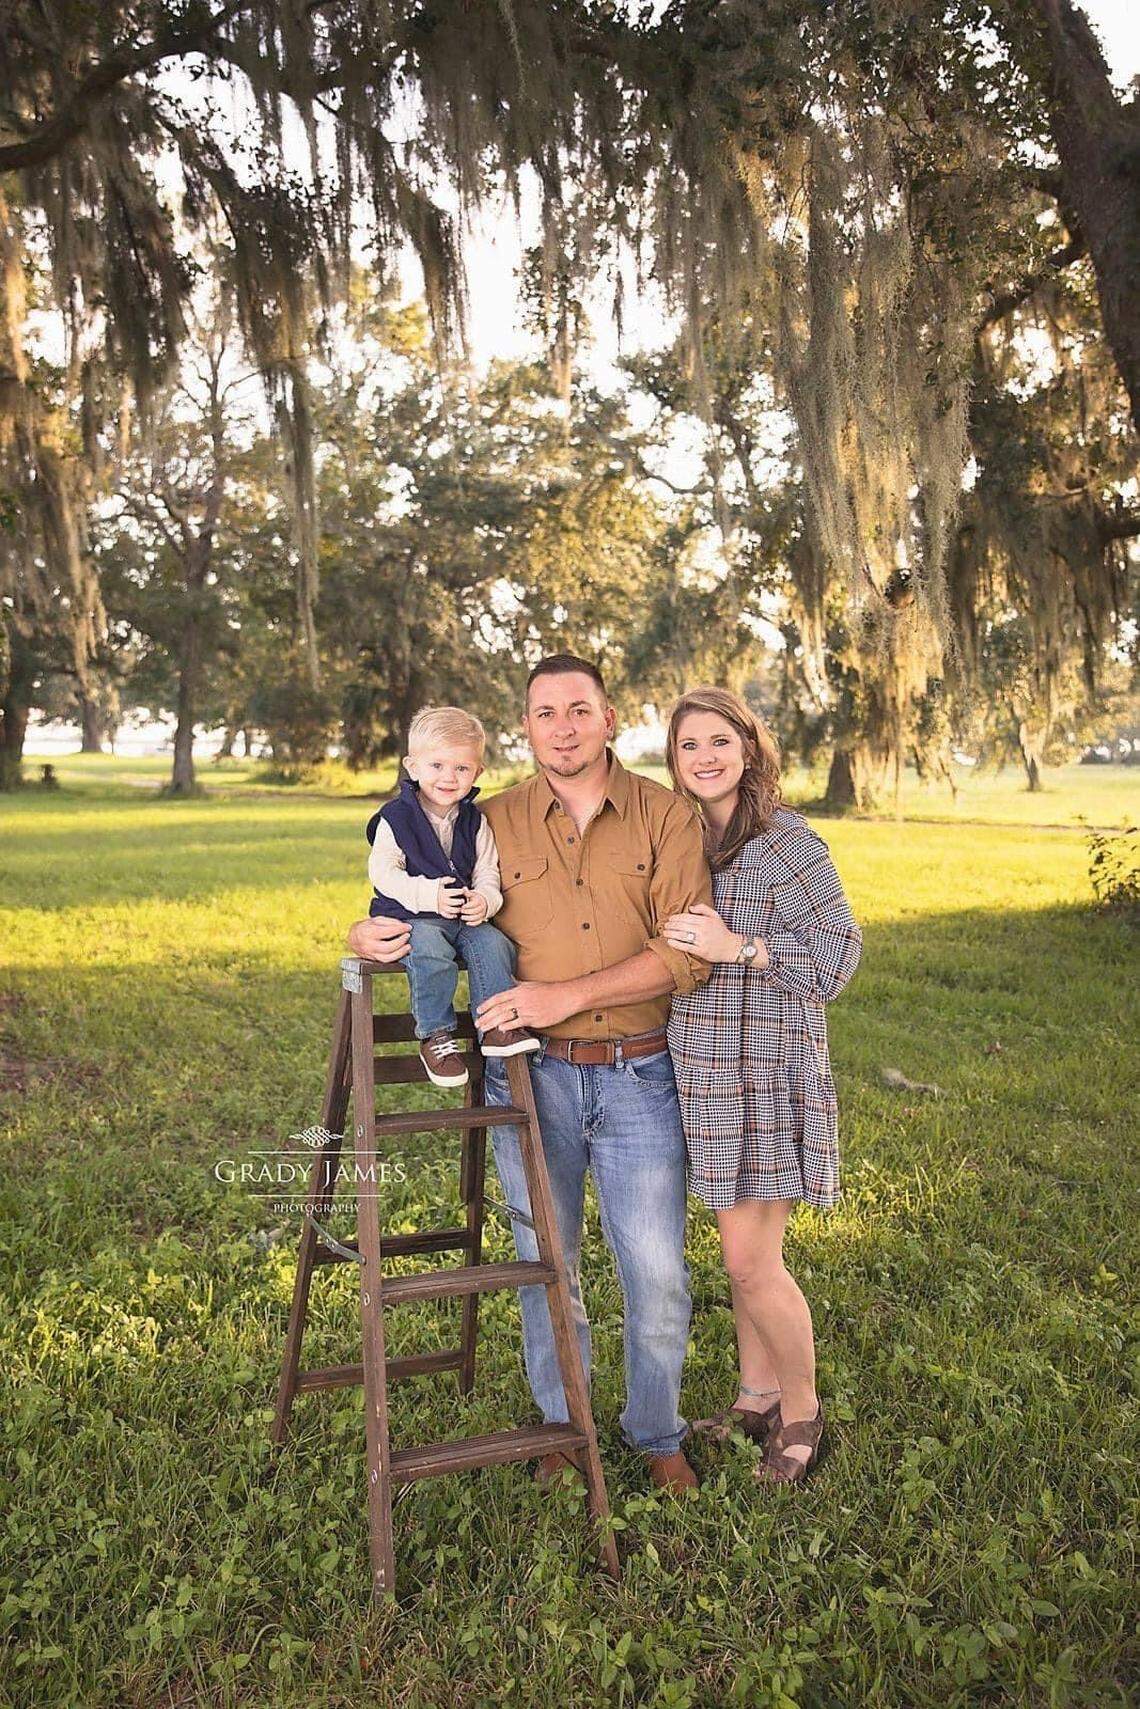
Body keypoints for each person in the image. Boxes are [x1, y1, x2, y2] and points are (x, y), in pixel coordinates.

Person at [346, 654, 713, 1493]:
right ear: (527, 727)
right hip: (529, 1077)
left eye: (579, 708)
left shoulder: (665, 815)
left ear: (610, 715)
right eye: (546, 712)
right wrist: (361, 934)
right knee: (547, 1262)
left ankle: (656, 1432)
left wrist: (558, 996)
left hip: (638, 1073)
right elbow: (410, 888)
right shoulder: (492, 819)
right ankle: (563, 1425)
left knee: (655, 1273)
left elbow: (685, 954)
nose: (564, 726)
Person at [662, 687, 862, 1484]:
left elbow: (838, 957)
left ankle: (803, 1409)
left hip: (768, 1072)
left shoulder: (790, 842)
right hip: (702, 1069)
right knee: (737, 1253)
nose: (705, 756)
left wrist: (740, 946)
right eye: (688, 745)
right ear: (673, 761)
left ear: (748, 748)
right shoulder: (680, 840)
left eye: (719, 740)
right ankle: (755, 1393)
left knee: (753, 1262)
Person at [366, 705, 539, 1087]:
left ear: (477, 772)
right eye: (437, 766)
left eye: (461, 768)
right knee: (427, 945)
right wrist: (428, 895)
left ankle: (496, 1025)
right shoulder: (395, 818)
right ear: (413, 767)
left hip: (462, 917)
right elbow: (383, 872)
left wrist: (486, 900)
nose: (449, 777)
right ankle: (435, 1035)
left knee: (494, 943)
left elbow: (487, 871)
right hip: (411, 914)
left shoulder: (475, 821)